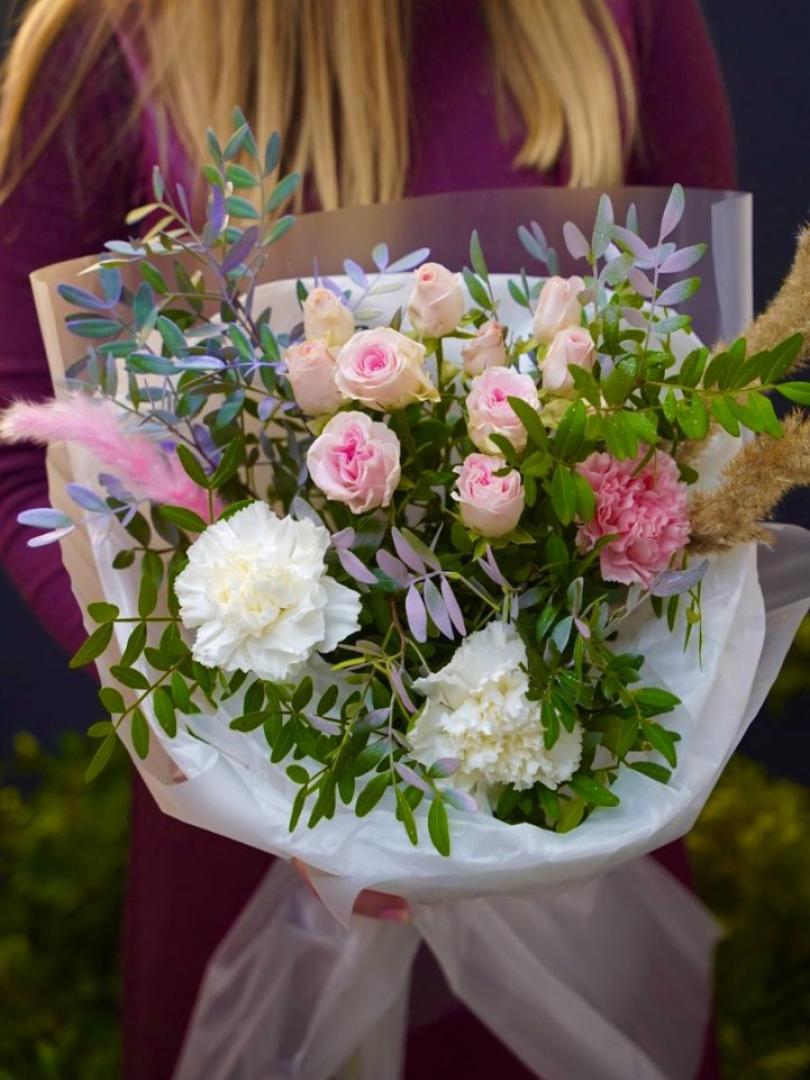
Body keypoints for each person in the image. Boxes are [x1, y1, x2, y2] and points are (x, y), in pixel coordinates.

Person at [0, 1, 734, 1076]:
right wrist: (241, 746)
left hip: (571, 800)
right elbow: (27, 444)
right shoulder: (111, 41)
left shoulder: (617, 18)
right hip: (254, 816)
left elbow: (696, 412)